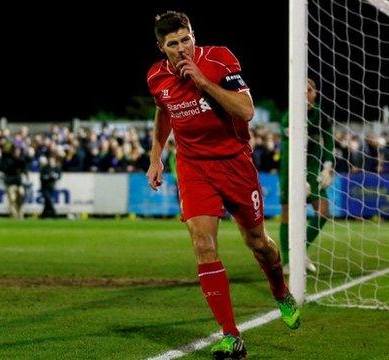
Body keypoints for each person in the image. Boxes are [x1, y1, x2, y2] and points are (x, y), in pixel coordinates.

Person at [145, 12, 299, 359]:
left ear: (193, 35)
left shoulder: (218, 59)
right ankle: (231, 335)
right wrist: (156, 156)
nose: (182, 48)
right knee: (203, 243)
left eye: (186, 39)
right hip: (193, 166)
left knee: (257, 242)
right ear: (161, 48)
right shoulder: (156, 76)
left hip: (234, 163)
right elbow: (163, 111)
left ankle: (279, 290)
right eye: (173, 44)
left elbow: (246, 111)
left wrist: (203, 82)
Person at [279, 79, 334, 274]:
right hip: (290, 169)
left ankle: (299, 252)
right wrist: (298, 178)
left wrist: (328, 166)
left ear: (315, 93)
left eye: (309, 90)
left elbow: (328, 142)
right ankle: (287, 261)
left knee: (324, 211)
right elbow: (292, 149)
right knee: (288, 214)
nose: (306, 94)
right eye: (302, 91)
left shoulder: (321, 116)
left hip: (312, 168)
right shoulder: (290, 116)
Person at [0, 143, 28, 219]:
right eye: (16, 151)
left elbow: (25, 169)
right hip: (10, 183)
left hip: (19, 183)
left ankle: (21, 216)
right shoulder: (8, 159)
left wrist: (25, 173)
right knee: (12, 200)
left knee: (21, 200)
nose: (17, 152)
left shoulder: (21, 160)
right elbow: (5, 169)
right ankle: (14, 216)